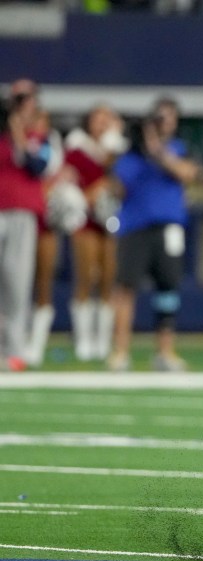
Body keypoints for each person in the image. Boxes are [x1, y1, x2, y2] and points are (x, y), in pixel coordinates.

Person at [27, 103, 129, 366]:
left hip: (108, 217)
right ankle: (83, 339)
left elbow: (120, 179)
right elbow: (69, 181)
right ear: (88, 122)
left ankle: (102, 341)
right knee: (86, 276)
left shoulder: (115, 149)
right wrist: (93, 192)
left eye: (107, 119)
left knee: (108, 276)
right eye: (98, 119)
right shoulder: (76, 148)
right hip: (84, 218)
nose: (102, 124)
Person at [107, 97, 201, 372]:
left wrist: (158, 152)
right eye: (159, 118)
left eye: (169, 117)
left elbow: (187, 174)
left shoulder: (179, 148)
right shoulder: (132, 154)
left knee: (168, 290)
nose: (165, 123)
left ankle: (165, 351)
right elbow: (117, 188)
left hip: (168, 229)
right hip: (135, 229)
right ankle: (121, 351)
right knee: (125, 288)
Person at [0, 79, 62, 372]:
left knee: (16, 283)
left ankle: (13, 350)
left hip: (21, 214)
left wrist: (18, 134)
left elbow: (37, 166)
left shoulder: (42, 137)